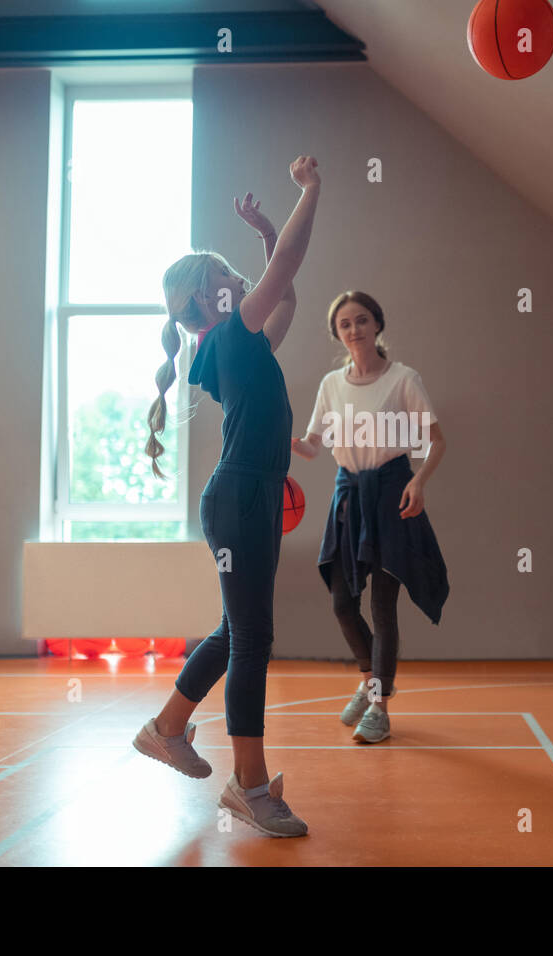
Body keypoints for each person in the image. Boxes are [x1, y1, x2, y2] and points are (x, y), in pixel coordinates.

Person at [133, 156, 320, 838]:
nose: (232, 274)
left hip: (249, 497)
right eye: (221, 272)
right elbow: (289, 273)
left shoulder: (237, 342)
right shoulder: (231, 335)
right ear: (201, 301)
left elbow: (289, 292)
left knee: (236, 631)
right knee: (253, 639)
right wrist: (309, 192)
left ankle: (167, 727)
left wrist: (268, 228)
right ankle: (248, 787)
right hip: (240, 498)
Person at [291, 291, 449, 744]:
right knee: (342, 602)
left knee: (382, 607)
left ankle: (379, 706)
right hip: (349, 498)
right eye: (345, 324)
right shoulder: (331, 385)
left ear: (376, 325)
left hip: (392, 493)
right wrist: (283, 439)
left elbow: (437, 441)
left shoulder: (403, 379)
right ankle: (370, 679)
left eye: (362, 320)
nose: (354, 329)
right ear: (337, 334)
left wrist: (418, 482)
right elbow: (311, 445)